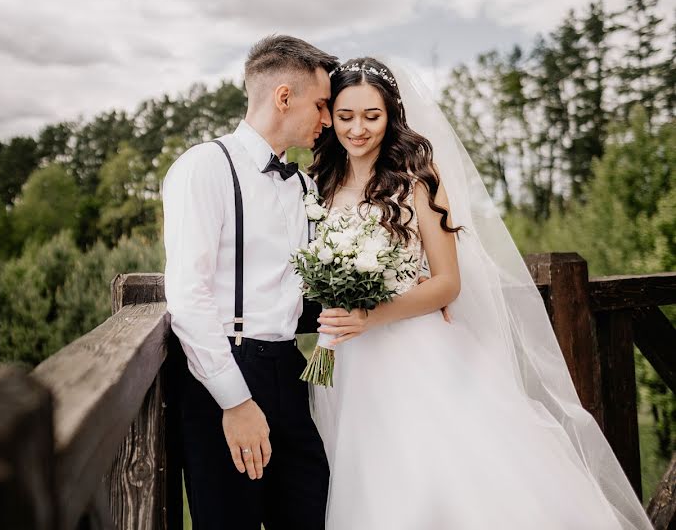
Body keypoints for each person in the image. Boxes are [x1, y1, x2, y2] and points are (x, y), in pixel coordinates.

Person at [308, 57, 654, 529]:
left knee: (443, 481)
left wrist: (372, 316)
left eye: (373, 115)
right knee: (377, 486)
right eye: (347, 116)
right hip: (353, 361)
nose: (358, 129)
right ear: (331, 117)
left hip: (418, 353)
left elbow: (448, 282)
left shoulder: (416, 177)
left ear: (392, 116)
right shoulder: (321, 184)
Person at [162, 34, 336, 530]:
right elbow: (188, 295)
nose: (326, 119)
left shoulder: (303, 185)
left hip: (289, 368)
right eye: (321, 105)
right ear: (285, 97)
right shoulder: (203, 167)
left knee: (312, 512)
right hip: (223, 373)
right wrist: (235, 402)